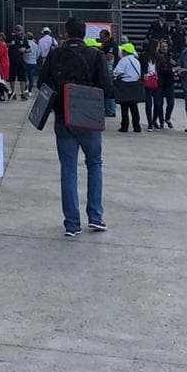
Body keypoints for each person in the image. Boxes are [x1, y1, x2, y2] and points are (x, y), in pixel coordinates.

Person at [38, 17, 112, 237]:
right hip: (89, 118)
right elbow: (107, 89)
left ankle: (72, 223)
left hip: (63, 116)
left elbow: (42, 83)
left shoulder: (55, 54)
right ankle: (95, 216)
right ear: (85, 34)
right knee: (95, 164)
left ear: (66, 33)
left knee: (68, 169)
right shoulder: (96, 55)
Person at [112, 43, 145, 133]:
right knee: (134, 107)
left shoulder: (124, 60)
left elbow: (117, 72)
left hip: (125, 85)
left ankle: (124, 126)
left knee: (124, 107)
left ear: (125, 52)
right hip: (135, 85)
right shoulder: (136, 60)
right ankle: (137, 126)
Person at [145, 39, 173, 130]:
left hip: (161, 82)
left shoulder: (161, 57)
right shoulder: (145, 56)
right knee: (152, 103)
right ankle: (152, 122)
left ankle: (156, 120)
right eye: (158, 46)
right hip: (150, 81)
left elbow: (164, 67)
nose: (160, 48)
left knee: (159, 103)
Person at [23, 31, 40, 96]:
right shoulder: (36, 45)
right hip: (33, 62)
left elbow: (24, 52)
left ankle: (25, 90)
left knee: (25, 77)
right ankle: (30, 91)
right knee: (31, 77)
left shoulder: (26, 44)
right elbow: (38, 54)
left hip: (26, 62)